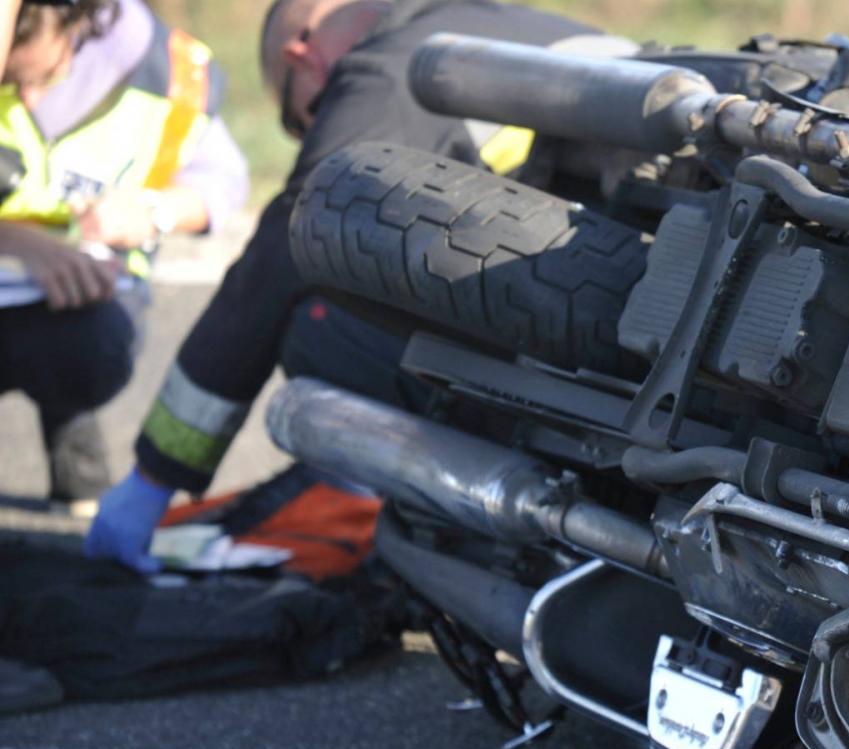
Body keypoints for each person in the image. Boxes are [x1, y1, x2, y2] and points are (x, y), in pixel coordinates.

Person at [85, 0, 604, 573]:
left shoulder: (388, 69)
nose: (321, 126)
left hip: (590, 360)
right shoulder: (497, 22)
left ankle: (445, 520)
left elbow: (293, 238)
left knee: (320, 316)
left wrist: (156, 474)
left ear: (303, 58)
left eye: (309, 116)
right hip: (664, 322)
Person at [0, 0, 248, 513]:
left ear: (76, 21)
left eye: (38, 72)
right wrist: (23, 245)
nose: (27, 94)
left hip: (87, 300)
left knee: (82, 340)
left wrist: (152, 211)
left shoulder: (169, 72)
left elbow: (224, 179)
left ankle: (77, 449)